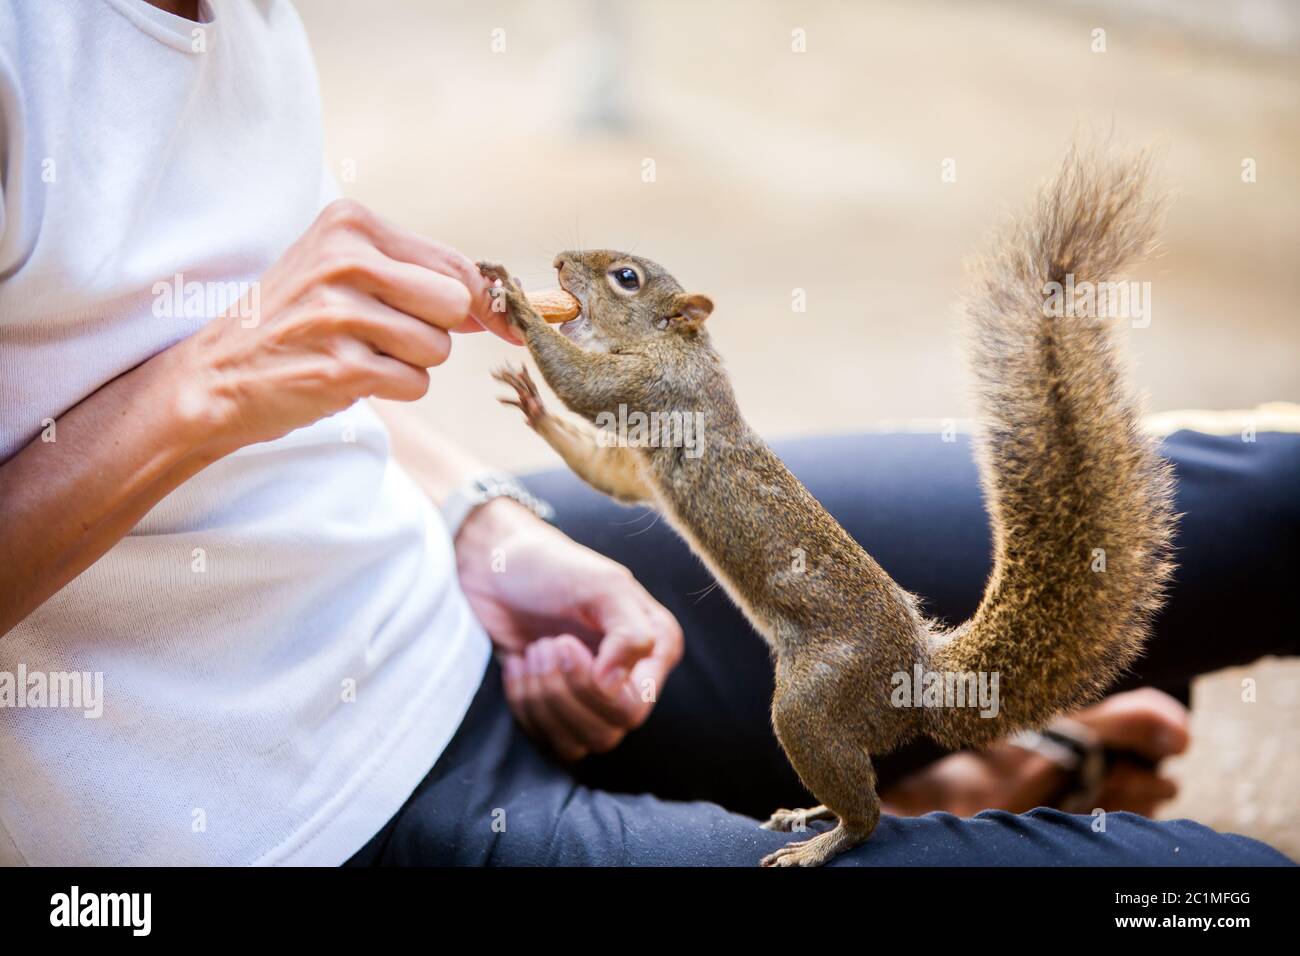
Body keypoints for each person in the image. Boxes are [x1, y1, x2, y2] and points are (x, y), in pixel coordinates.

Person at [0, 0, 1291, 866]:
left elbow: (304, 401)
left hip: (439, 593)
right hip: (308, 812)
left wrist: (481, 520)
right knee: (1209, 884)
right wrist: (199, 389)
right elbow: (222, 371)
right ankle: (905, 795)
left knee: (1275, 496)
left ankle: (936, 772)